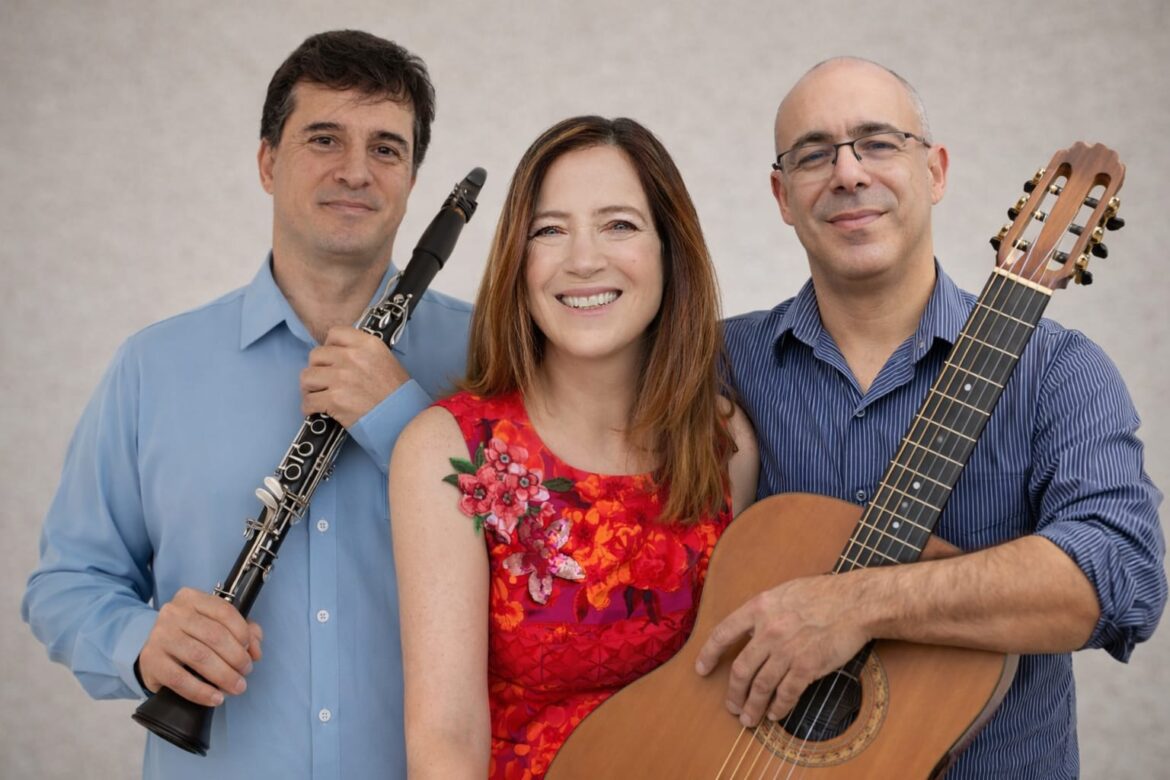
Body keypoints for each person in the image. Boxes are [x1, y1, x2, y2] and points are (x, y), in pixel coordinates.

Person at [696, 57, 1166, 777]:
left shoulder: (1058, 371)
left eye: (879, 143)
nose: (848, 173)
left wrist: (855, 605)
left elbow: (1119, 576)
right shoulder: (713, 368)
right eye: (814, 155)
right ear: (782, 196)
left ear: (936, 171)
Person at [21, 30, 471, 780]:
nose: (356, 170)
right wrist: (140, 641)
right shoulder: (154, 367)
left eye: (386, 148)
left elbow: (552, 560)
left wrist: (405, 422)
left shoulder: (491, 360)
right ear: (267, 162)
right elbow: (66, 585)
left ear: (412, 178)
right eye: (324, 139)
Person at [389, 115, 759, 778]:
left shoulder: (723, 441)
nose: (583, 259)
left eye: (619, 224)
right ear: (519, 260)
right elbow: (446, 737)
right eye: (550, 230)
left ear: (669, 250)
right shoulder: (449, 451)